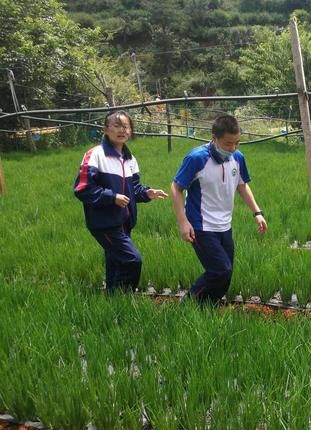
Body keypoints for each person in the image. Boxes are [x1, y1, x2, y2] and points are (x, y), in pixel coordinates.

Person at [170, 114, 267, 304]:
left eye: (237, 143)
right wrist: (183, 222)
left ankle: (207, 308)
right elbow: (176, 188)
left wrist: (257, 213)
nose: (232, 148)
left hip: (224, 225)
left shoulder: (237, 158)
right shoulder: (197, 158)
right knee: (220, 270)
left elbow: (242, 186)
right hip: (201, 226)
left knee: (226, 274)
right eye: (228, 144)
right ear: (214, 138)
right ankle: (187, 306)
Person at [74, 111, 167, 292]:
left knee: (115, 262)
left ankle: (113, 300)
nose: (122, 130)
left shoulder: (130, 159)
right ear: (106, 129)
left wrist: (148, 193)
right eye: (116, 126)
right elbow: (82, 189)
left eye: (125, 126)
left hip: (124, 222)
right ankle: (124, 299)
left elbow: (134, 189)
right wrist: (111, 197)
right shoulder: (95, 155)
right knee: (132, 260)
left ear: (130, 130)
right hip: (105, 223)